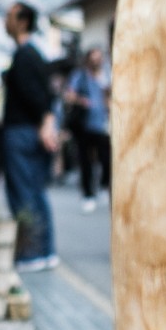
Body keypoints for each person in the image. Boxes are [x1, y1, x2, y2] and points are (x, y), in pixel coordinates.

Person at [0, 0, 60, 271]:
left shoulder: (24, 56)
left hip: (21, 133)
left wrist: (46, 120)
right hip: (32, 133)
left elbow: (35, 95)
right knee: (35, 192)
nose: (5, 21)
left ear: (22, 21)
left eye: (9, 16)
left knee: (23, 193)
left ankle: (31, 254)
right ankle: (45, 252)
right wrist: (48, 121)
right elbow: (45, 95)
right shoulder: (35, 54)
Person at [64, 45, 112, 212]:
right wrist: (81, 101)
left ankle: (105, 186)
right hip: (84, 124)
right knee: (86, 161)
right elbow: (69, 95)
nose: (96, 61)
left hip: (104, 124)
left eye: (99, 57)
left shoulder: (107, 75)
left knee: (106, 159)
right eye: (94, 57)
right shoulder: (80, 76)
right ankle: (88, 194)